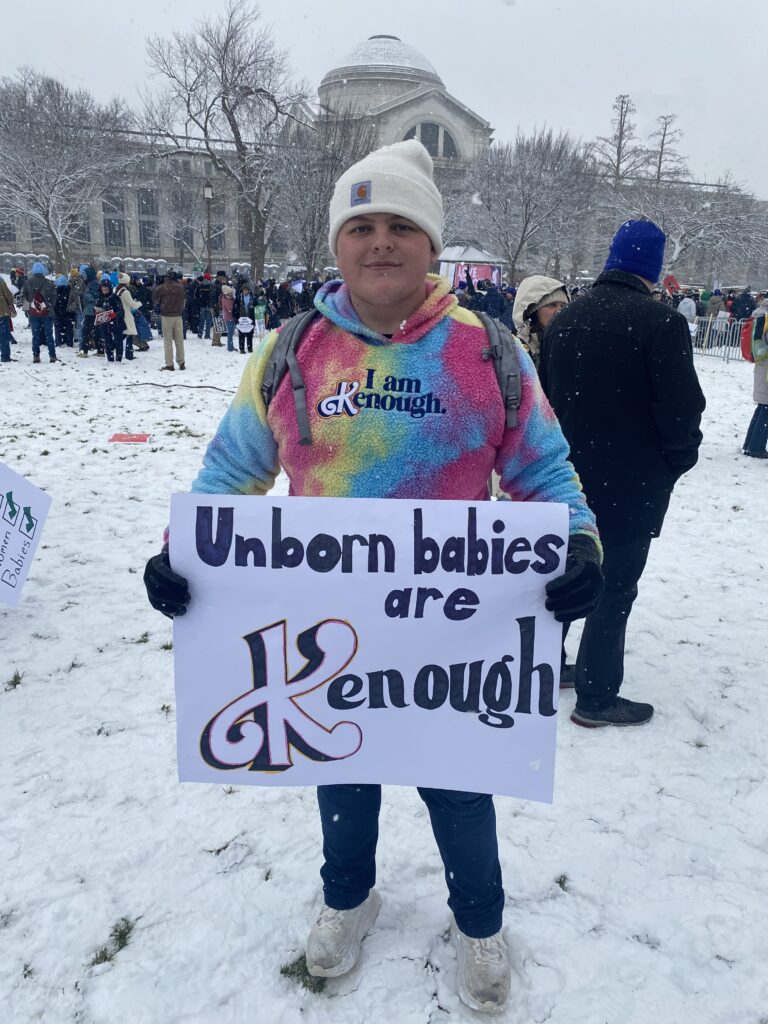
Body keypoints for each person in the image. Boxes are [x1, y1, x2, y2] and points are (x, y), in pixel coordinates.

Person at [143, 139, 604, 1014]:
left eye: (400, 224)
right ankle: (348, 900)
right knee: (341, 775)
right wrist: (182, 551)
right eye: (361, 226)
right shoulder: (289, 352)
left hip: (454, 646)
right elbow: (229, 474)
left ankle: (480, 922)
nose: (380, 242)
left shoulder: (490, 353)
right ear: (337, 244)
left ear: (433, 245)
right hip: (328, 640)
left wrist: (578, 543)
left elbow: (546, 471)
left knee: (462, 792)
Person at [540, 218, 705, 727]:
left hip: (565, 478)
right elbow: (681, 412)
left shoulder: (566, 320)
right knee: (615, 589)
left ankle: (544, 670)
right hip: (630, 484)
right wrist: (675, 462)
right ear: (652, 270)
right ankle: (596, 697)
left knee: (562, 577)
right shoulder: (661, 324)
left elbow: (544, 400)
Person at [512, 276, 569, 371]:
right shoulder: (514, 349)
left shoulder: (570, 344)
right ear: (532, 311)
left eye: (563, 306)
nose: (559, 311)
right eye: (552, 305)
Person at [742, 297, 768, 458]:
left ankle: (750, 443)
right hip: (766, 371)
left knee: (762, 408)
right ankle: (756, 447)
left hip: (762, 366)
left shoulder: (761, 318)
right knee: (765, 410)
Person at [21, 261, 57, 363]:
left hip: (33, 313)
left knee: (35, 335)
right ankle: (52, 356)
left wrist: (30, 307)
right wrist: (48, 305)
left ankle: (36, 355)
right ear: (43, 271)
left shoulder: (28, 282)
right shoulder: (49, 283)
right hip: (47, 312)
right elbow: (54, 298)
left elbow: (24, 296)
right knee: (49, 335)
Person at [153, 270, 187, 370]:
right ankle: (181, 362)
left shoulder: (161, 288)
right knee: (179, 340)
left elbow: (156, 301)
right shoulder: (181, 288)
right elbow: (184, 300)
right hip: (178, 316)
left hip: (166, 316)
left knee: (168, 341)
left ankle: (169, 364)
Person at [93, 279, 125, 362]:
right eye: (103, 290)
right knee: (107, 341)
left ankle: (118, 358)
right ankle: (110, 358)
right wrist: (97, 313)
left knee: (118, 340)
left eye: (106, 290)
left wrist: (115, 314)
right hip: (104, 323)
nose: (104, 291)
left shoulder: (115, 297)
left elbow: (121, 310)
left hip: (116, 322)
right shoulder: (99, 298)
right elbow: (96, 308)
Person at [116, 273, 142, 360]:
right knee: (129, 334)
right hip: (126, 314)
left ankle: (112, 347)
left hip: (120, 314)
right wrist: (139, 303)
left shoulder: (117, 289)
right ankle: (129, 353)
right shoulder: (125, 292)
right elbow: (132, 304)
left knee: (123, 334)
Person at [0, 275, 17, 362]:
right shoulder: (1, 281)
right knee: (4, 335)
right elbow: (9, 296)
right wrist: (10, 303)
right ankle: (5, 356)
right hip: (2, 312)